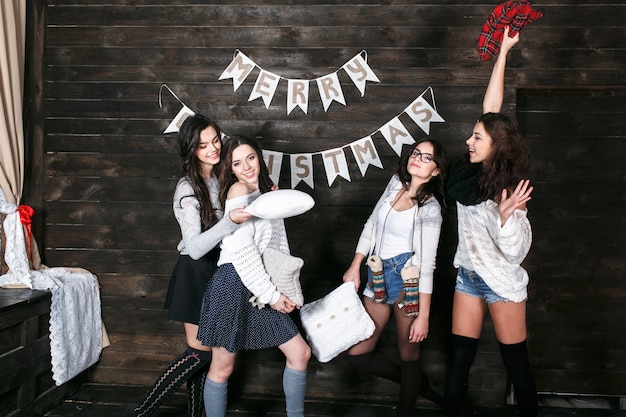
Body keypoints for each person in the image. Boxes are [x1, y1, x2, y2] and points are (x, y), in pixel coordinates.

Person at [128, 114, 252, 417]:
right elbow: (195, 248)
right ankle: (143, 411)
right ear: (190, 149)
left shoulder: (225, 178)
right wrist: (229, 222)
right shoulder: (187, 188)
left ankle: (196, 414)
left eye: (215, 141)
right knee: (199, 353)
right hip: (196, 272)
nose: (212, 149)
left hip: (222, 272)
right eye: (202, 146)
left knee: (207, 357)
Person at [443, 27, 537, 417]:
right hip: (468, 275)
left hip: (501, 281)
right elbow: (491, 107)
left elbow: (515, 252)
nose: (469, 140)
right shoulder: (468, 172)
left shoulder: (508, 188)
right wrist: (503, 51)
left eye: (477, 137)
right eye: (471, 134)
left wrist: (505, 218)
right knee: (458, 360)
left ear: (494, 145)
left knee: (515, 363)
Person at [197, 135, 311, 417]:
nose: (246, 166)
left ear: (259, 157)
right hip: (234, 283)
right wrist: (272, 296)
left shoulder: (263, 192)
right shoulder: (237, 192)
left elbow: (275, 247)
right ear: (230, 169)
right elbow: (241, 252)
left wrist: (285, 289)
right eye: (237, 162)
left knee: (299, 354)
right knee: (222, 369)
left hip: (258, 284)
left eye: (250, 157)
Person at [342, 139, 448, 417]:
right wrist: (356, 266)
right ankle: (415, 384)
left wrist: (423, 315)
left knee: (408, 354)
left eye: (427, 158)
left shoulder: (430, 208)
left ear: (436, 171)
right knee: (358, 355)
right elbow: (371, 225)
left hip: (407, 282)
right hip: (377, 275)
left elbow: (427, 265)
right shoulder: (394, 184)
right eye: (416, 154)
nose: (418, 159)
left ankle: (407, 404)